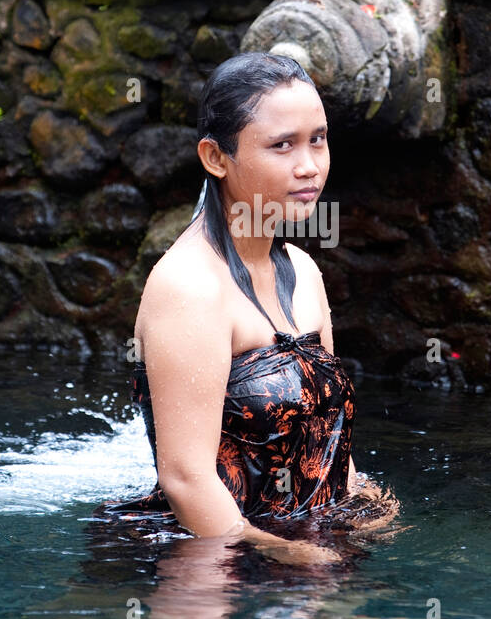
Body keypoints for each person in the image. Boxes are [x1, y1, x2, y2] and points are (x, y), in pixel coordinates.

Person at [99, 51, 396, 567]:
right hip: (209, 558)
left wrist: (367, 502)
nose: (309, 166)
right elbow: (185, 478)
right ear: (216, 158)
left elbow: (326, 436)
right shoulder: (190, 289)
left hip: (312, 543)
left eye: (318, 139)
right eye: (282, 145)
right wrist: (287, 554)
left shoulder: (303, 273)